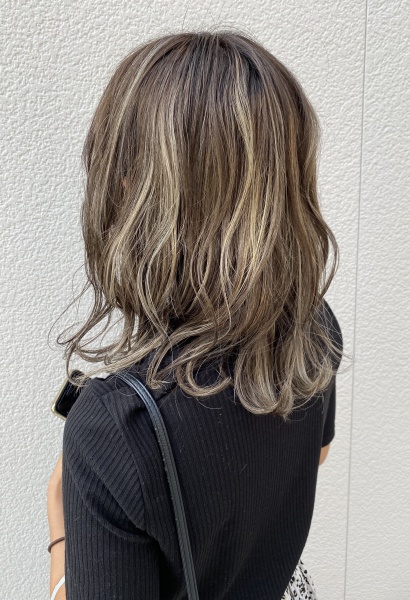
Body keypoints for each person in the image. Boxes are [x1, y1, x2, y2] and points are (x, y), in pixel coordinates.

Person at [47, 28, 347, 599]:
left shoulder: (115, 430)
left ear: (133, 190)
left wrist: (60, 529)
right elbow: (316, 455)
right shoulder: (313, 324)